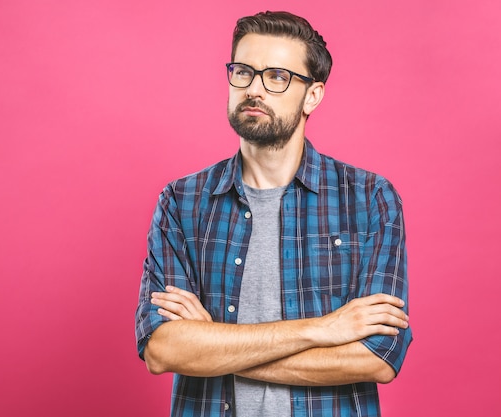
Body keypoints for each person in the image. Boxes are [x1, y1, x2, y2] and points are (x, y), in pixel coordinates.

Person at [135, 10, 412, 417]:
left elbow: (377, 359)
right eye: (243, 71)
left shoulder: (371, 199)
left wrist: (213, 344)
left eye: (278, 77)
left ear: (312, 95)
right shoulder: (182, 201)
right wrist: (323, 329)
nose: (254, 89)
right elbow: (162, 349)